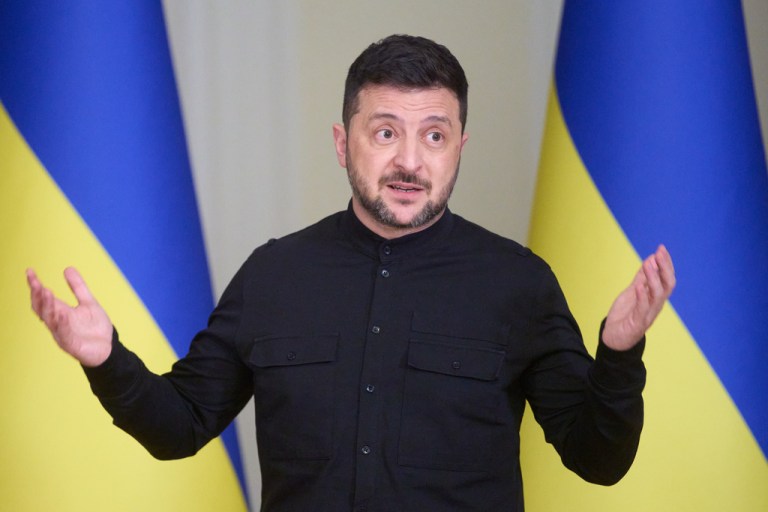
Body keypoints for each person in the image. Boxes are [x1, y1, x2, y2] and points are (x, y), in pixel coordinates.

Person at [27, 34, 675, 511]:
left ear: (459, 148)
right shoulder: (273, 275)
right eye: (385, 133)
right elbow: (180, 426)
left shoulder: (520, 284)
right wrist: (105, 358)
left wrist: (619, 353)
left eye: (434, 136)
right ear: (343, 143)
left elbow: (598, 460)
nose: (410, 162)